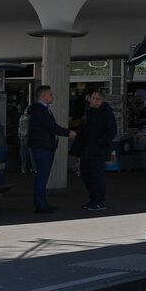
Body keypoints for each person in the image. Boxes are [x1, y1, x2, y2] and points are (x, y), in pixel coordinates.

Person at [26, 85, 76, 215]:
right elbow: (50, 127)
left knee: (42, 176)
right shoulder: (40, 111)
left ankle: (42, 202)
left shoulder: (42, 110)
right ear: (43, 96)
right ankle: (40, 204)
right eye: (50, 94)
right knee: (42, 176)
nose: (52, 97)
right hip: (42, 147)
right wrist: (67, 132)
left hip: (44, 146)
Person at [73, 91, 117, 211]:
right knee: (86, 174)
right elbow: (86, 132)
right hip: (89, 149)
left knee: (97, 176)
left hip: (98, 150)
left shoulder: (106, 114)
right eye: (91, 98)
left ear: (99, 101)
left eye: (93, 98)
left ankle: (99, 201)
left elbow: (112, 131)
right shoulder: (92, 113)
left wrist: (100, 142)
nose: (90, 100)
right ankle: (94, 199)